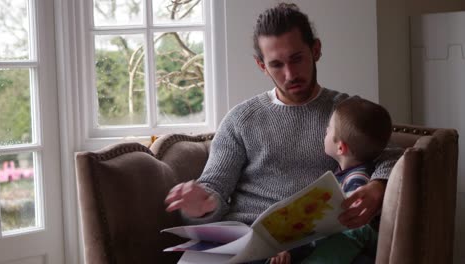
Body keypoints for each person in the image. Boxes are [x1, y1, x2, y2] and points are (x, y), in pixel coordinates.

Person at [165, 2, 400, 263]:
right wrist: (203, 206)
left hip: (316, 243)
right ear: (261, 65)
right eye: (276, 64)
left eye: (297, 59)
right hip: (248, 241)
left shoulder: (346, 113)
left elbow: (390, 153)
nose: (290, 74)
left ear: (316, 50)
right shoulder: (241, 119)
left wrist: (378, 187)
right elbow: (213, 189)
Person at [271, 97, 393, 264]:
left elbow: (351, 228)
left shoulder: (357, 181)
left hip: (352, 240)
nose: (325, 131)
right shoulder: (348, 172)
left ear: (341, 148)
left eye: (329, 130)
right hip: (332, 237)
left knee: (342, 238)